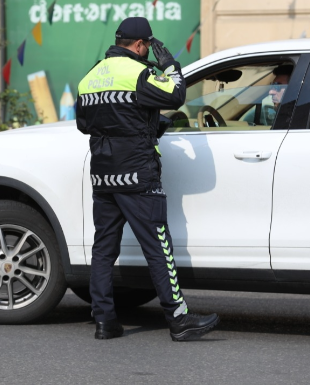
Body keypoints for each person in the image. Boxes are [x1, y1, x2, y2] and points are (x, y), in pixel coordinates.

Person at [76, 17, 220, 342]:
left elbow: (85, 125)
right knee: (158, 247)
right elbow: (176, 95)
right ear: (141, 45)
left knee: (103, 249)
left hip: (103, 177)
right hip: (138, 176)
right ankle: (179, 319)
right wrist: (170, 64)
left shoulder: (90, 77)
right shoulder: (140, 73)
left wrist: (143, 125)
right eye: (147, 47)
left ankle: (104, 321)